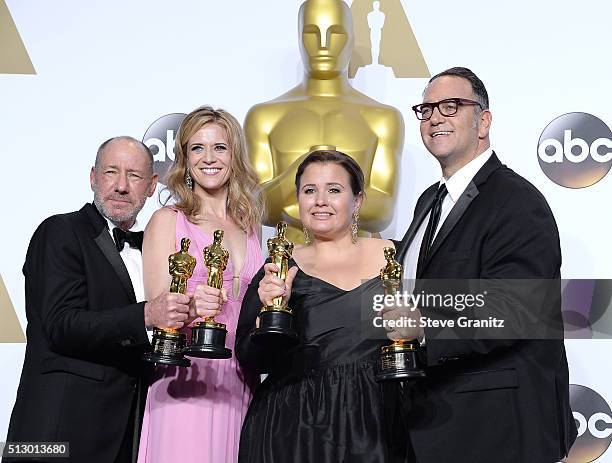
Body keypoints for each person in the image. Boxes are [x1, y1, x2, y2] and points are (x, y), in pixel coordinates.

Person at [389, 67, 577, 462]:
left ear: (484, 121)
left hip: (499, 429)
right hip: (438, 424)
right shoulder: (429, 201)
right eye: (426, 109)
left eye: (451, 106)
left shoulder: (517, 201)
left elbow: (516, 307)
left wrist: (425, 326)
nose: (435, 117)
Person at [5, 136, 190, 463]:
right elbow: (62, 326)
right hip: (57, 439)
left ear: (151, 186)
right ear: (92, 177)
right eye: (110, 172)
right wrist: (147, 315)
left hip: (123, 437)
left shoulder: (155, 249)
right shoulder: (60, 232)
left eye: (133, 175)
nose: (121, 186)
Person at [236, 150, 409, 462]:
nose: (320, 201)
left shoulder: (396, 256)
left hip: (377, 422)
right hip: (294, 427)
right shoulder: (278, 268)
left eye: (334, 190)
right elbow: (251, 359)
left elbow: (429, 332)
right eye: (309, 191)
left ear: (357, 200)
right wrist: (268, 314)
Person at [137, 106, 263, 463]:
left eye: (220, 148)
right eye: (197, 148)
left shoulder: (249, 226)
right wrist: (193, 308)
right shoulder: (168, 220)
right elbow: (158, 310)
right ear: (185, 158)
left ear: (235, 155)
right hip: (186, 376)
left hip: (240, 377)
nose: (209, 158)